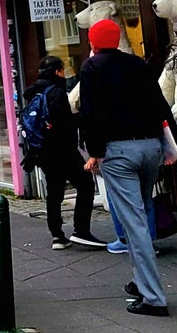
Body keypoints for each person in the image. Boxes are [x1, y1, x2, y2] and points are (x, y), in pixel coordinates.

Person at [80, 18, 177, 317]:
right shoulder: (137, 64)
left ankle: (153, 297)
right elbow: (159, 103)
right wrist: (170, 144)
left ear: (93, 42)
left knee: (133, 223)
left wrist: (94, 152)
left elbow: (91, 112)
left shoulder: (92, 67)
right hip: (150, 146)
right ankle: (140, 280)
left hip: (118, 151)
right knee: (144, 210)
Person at [23, 55, 106, 250]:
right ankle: (81, 230)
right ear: (58, 71)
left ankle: (57, 236)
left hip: (42, 151)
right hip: (62, 150)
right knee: (85, 185)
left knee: (54, 192)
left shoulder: (34, 92)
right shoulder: (56, 92)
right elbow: (64, 124)